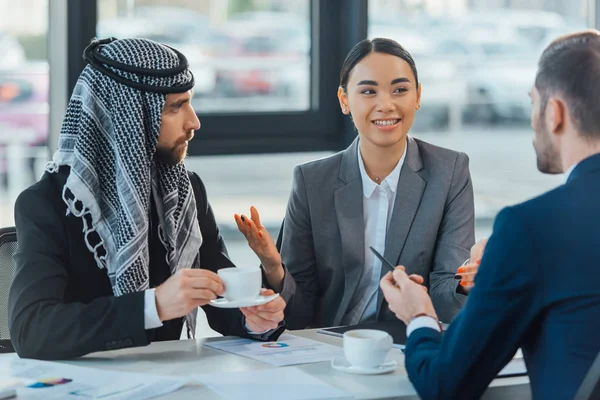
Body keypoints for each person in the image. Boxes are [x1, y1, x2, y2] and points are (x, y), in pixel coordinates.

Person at [8, 38, 286, 361]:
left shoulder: (185, 191)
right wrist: (152, 306)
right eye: (175, 107)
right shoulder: (47, 204)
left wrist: (255, 317)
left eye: (189, 103)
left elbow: (218, 295)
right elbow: (31, 329)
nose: (194, 121)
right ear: (127, 118)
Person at [380, 29, 600, 400]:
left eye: (534, 103)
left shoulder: (531, 228)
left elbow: (446, 384)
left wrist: (419, 316)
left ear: (554, 112)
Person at [235, 38, 477, 329]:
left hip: (409, 341)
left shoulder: (450, 172)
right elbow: (300, 311)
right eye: (368, 91)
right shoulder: (312, 182)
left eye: (400, 90)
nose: (386, 105)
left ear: (418, 96)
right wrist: (274, 267)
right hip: (329, 346)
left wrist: (467, 285)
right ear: (344, 100)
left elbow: (445, 294)